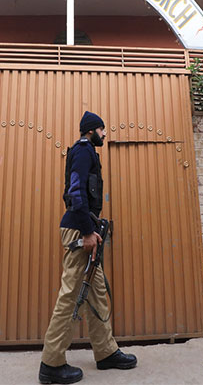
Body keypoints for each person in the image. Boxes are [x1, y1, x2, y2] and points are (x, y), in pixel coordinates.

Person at [39, 111, 137, 384]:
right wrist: (85, 230)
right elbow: (74, 191)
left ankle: (106, 353)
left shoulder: (87, 153)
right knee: (70, 294)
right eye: (102, 130)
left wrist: (91, 228)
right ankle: (51, 363)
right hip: (80, 229)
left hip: (87, 227)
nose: (105, 135)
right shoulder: (83, 151)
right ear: (91, 130)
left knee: (97, 293)